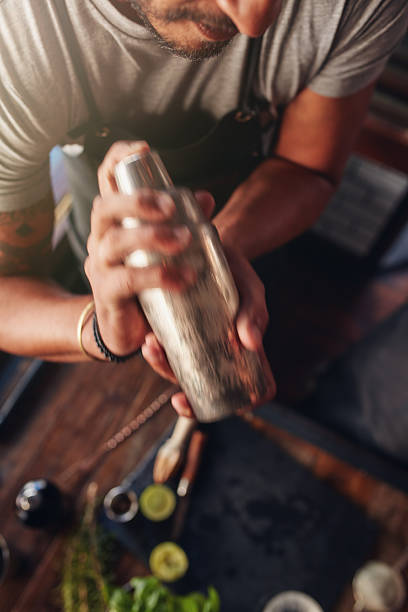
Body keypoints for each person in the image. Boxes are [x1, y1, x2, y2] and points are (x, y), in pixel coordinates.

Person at [0, 0, 406, 416]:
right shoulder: (15, 41)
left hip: (253, 261)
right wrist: (100, 330)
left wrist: (214, 256)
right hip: (87, 307)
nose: (254, 23)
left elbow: (306, 168)